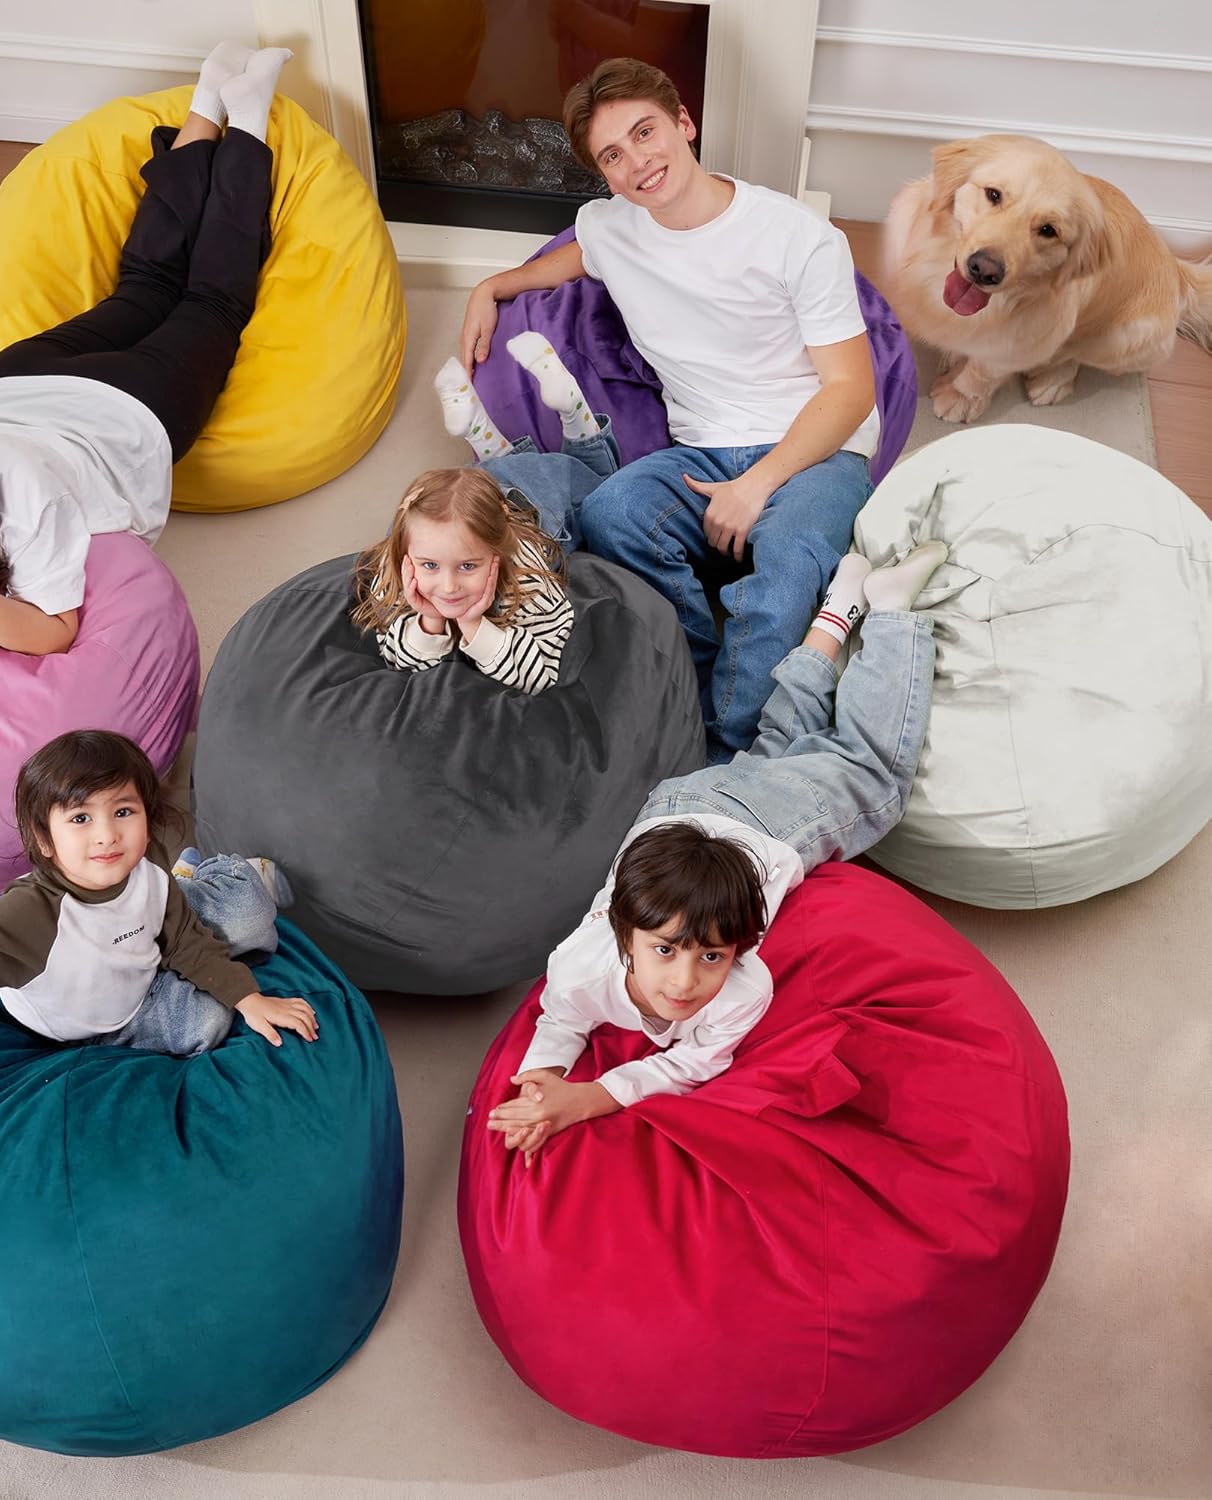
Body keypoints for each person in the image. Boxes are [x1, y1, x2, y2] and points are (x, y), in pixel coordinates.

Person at [0, 42, 292, 686]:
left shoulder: (17, 493)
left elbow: (53, 632)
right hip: (16, 378)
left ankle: (248, 118)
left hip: (125, 403)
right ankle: (208, 101)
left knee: (213, 301)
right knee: (145, 286)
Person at [459, 56, 880, 762]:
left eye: (645, 132)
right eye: (613, 156)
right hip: (700, 450)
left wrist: (757, 485)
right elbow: (572, 257)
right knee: (611, 513)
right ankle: (691, 681)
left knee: (784, 573)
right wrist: (493, 286)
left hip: (817, 449)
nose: (638, 163)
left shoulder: (797, 236)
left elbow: (851, 391)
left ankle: (723, 753)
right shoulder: (611, 227)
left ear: (684, 123)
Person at [487, 540, 946, 1162]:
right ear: (624, 935)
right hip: (677, 809)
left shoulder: (742, 989)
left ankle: (886, 614)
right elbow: (560, 1018)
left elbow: (689, 1066)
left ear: (739, 947)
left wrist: (591, 1096)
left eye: (711, 955)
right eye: (665, 950)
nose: (685, 982)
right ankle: (838, 609)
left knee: (873, 779)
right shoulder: (579, 966)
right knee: (776, 749)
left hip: (758, 826)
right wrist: (542, 1078)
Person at [0, 729, 319, 1056]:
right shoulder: (30, 916)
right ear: (45, 840)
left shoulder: (146, 876)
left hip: (145, 948)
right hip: (113, 1015)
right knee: (208, 1023)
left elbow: (188, 944)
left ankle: (216, 876)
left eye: (123, 812)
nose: (107, 835)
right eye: (80, 818)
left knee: (250, 912)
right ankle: (200, 882)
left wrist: (250, 998)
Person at [351, 333, 620, 695]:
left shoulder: (527, 577)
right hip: (478, 494)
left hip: (536, 495)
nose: (448, 587)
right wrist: (429, 621)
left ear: (498, 552)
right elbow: (397, 657)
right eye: (430, 566)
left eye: (467, 566)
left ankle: (573, 408)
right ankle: (477, 427)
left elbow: (541, 673)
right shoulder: (397, 571)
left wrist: (474, 625)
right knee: (491, 481)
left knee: (601, 486)